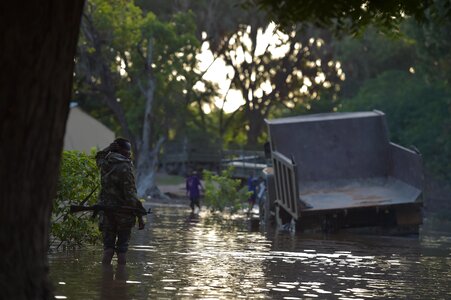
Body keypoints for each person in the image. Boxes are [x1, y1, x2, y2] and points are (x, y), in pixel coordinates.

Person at [96, 137, 145, 265]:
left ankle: (104, 280)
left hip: (106, 213)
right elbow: (130, 195)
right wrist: (140, 216)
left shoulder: (105, 162)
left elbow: (99, 156)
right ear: (125, 152)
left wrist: (109, 148)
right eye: (129, 152)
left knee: (108, 250)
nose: (130, 154)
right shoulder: (125, 167)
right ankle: (121, 281)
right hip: (123, 214)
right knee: (122, 251)